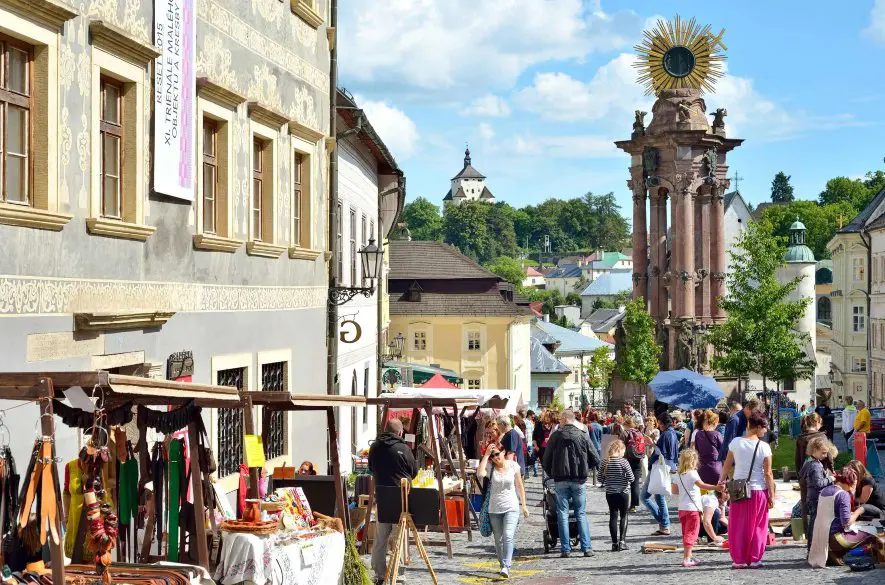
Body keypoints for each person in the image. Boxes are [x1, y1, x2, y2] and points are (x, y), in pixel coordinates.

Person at [718, 409, 775, 569]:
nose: (765, 430)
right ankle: (755, 558)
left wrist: (722, 481)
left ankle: (739, 559)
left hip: (739, 489)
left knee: (738, 525)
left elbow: (727, 465)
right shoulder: (764, 446)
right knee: (758, 525)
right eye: (765, 427)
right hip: (758, 490)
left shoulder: (735, 442)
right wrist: (772, 494)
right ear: (758, 426)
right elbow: (768, 473)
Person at [542, 409, 600, 558]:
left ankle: (565, 549)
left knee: (562, 513)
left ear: (565, 419)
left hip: (561, 479)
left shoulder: (556, 436)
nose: (559, 422)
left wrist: (552, 473)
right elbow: (595, 457)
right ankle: (587, 548)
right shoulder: (582, 435)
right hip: (579, 479)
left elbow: (546, 459)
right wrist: (587, 469)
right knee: (581, 513)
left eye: (561, 419)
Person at [368, 419, 419, 585]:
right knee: (400, 538)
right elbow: (414, 471)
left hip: (382, 495)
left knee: (381, 538)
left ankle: (379, 574)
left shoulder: (375, 447)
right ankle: (399, 573)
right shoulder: (403, 448)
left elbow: (371, 467)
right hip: (401, 496)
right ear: (400, 432)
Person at [477, 445, 529, 578]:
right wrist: (486, 455)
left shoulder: (513, 465)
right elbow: (480, 474)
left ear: (504, 452)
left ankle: (506, 566)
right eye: (492, 455)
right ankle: (502, 565)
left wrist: (524, 505)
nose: (495, 458)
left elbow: (519, 485)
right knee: (498, 540)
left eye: (496, 454)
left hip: (511, 507)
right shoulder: (491, 467)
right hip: (494, 508)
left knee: (508, 535)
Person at [810, 469, 876, 566]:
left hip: (822, 537)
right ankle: (839, 553)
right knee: (872, 532)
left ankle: (833, 553)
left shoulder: (824, 491)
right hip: (836, 539)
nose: (854, 486)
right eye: (854, 483)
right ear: (849, 481)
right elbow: (846, 522)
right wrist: (859, 511)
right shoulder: (843, 494)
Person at [673, 449, 722, 568]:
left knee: (686, 533)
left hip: (682, 509)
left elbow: (674, 491)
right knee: (692, 534)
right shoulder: (693, 473)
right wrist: (716, 487)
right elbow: (702, 485)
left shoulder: (677, 475)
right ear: (693, 461)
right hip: (692, 509)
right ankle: (687, 558)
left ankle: (688, 556)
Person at [642, 413, 678, 536]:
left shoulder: (667, 434)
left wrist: (651, 442)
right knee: (659, 497)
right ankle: (664, 526)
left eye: (659, 424)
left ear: (663, 423)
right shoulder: (673, 433)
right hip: (666, 467)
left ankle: (664, 522)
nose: (659, 426)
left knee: (644, 497)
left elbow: (660, 451)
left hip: (659, 468)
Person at [799, 436, 836, 548]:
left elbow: (801, 474)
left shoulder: (809, 460)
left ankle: (812, 546)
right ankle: (812, 547)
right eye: (823, 453)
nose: (825, 456)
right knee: (815, 524)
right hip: (816, 498)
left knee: (813, 523)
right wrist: (830, 479)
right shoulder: (815, 466)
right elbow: (818, 484)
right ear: (814, 450)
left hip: (811, 496)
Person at [601, 439, 634, 552]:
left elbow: (600, 479)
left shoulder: (605, 462)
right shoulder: (624, 462)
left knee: (613, 516)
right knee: (624, 516)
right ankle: (622, 542)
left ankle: (614, 543)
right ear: (619, 450)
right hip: (623, 493)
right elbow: (632, 478)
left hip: (610, 493)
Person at [692, 409, 723, 486]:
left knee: (704, 495)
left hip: (702, 469)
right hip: (716, 467)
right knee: (719, 493)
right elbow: (723, 451)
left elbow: (697, 451)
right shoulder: (717, 434)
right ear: (714, 423)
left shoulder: (698, 434)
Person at [795, 413, 829, 481]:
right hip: (819, 476)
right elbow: (827, 457)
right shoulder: (822, 437)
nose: (821, 426)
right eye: (821, 423)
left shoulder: (800, 438)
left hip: (804, 476)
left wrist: (799, 476)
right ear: (817, 422)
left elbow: (797, 459)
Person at [621, 417, 645, 512]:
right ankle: (633, 506)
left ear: (626, 425)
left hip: (627, 460)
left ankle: (622, 504)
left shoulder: (625, 433)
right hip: (638, 460)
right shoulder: (639, 433)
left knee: (623, 483)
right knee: (635, 484)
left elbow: (620, 446)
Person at [588, 411, 603, 486]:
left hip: (591, 447)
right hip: (598, 447)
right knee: (599, 465)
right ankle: (603, 481)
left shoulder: (589, 426)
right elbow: (601, 438)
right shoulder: (600, 426)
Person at [525, 411, 537, 478]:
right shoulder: (525, 422)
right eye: (532, 416)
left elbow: (533, 433)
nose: (533, 417)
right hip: (526, 443)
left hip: (530, 443)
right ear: (529, 415)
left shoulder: (531, 423)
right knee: (527, 458)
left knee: (531, 458)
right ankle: (527, 473)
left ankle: (534, 471)